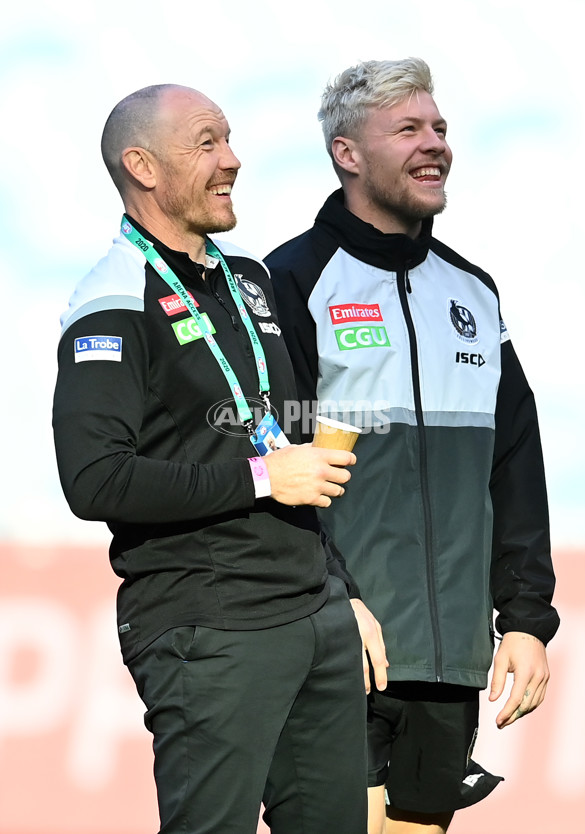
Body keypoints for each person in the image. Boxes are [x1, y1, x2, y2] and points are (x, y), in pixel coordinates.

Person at [52, 83, 369, 834]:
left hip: (313, 614)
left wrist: (343, 591)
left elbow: (282, 445)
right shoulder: (112, 299)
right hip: (209, 623)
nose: (233, 160)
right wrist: (260, 477)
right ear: (143, 166)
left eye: (228, 138)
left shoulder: (248, 280)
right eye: (207, 143)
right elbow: (95, 478)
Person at [264, 58, 560, 834]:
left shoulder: (472, 290)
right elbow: (275, 464)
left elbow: (514, 465)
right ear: (347, 153)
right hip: (338, 643)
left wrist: (525, 616)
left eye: (439, 128)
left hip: (449, 657)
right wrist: (333, 599)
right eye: (408, 129)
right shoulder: (290, 281)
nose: (435, 145)